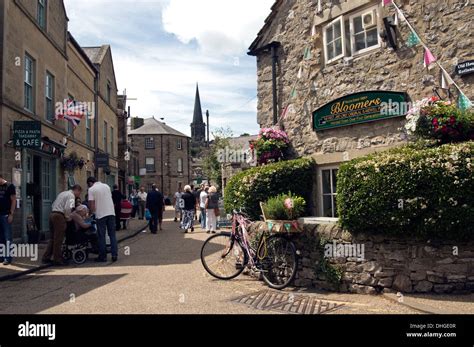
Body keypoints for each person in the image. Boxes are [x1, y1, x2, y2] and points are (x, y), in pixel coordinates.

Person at [42, 185, 82, 265]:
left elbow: (54, 204)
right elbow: (68, 208)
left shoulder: (63, 193)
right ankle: (57, 259)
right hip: (59, 216)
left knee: (52, 238)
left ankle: (46, 257)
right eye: (79, 193)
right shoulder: (71, 196)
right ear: (77, 190)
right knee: (58, 238)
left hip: (53, 214)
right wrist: (68, 218)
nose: (79, 195)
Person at [87, 177, 118, 263]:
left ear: (90, 183)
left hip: (101, 215)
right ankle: (114, 255)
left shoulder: (91, 189)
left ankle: (103, 256)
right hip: (111, 213)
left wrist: (90, 213)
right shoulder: (107, 186)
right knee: (112, 235)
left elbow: (91, 204)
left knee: (101, 236)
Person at [0, 174, 16, 266]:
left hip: (6, 214)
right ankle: (1, 256)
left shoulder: (9, 186)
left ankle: (8, 258)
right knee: (1, 238)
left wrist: (11, 214)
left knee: (8, 237)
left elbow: (13, 200)